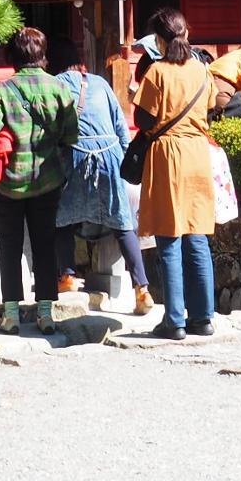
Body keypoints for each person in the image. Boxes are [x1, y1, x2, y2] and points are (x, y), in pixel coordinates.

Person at [0, 25, 79, 334]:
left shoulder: (1, 90)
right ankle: (46, 314)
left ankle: (11, 316)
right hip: (47, 180)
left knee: (10, 246)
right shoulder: (59, 88)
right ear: (42, 55)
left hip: (8, 182)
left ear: (13, 57)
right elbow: (70, 134)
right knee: (45, 244)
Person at [47, 38, 154, 316]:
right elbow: (120, 126)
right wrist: (124, 164)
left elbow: (51, 132)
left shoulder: (54, 85)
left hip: (75, 156)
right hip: (110, 156)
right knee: (123, 223)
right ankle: (142, 288)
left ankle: (68, 276)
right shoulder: (100, 83)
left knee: (62, 220)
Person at [134, 6, 217, 339]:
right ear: (187, 32)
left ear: (159, 39)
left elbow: (142, 120)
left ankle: (174, 320)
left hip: (168, 155)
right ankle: (204, 317)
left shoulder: (157, 72)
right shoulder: (202, 71)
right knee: (197, 237)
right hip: (198, 153)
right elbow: (211, 106)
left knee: (169, 238)